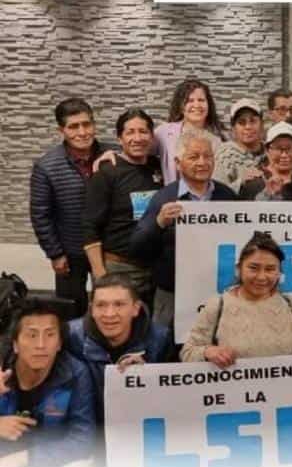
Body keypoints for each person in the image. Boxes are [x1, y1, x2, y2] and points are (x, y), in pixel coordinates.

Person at [130, 131, 238, 327]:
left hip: (218, 290)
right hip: (173, 293)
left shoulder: (227, 195)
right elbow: (137, 247)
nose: (202, 162)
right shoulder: (164, 197)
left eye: (208, 156)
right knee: (165, 347)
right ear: (178, 163)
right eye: (194, 157)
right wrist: (159, 222)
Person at [30, 98, 115, 318]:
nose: (82, 132)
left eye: (87, 124)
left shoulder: (113, 155)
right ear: (62, 130)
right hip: (70, 251)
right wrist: (55, 253)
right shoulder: (46, 166)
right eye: (73, 126)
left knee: (109, 307)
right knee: (70, 310)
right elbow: (41, 214)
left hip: (108, 248)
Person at [181, 232, 292, 365]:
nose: (261, 277)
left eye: (270, 269)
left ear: (279, 272)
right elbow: (187, 353)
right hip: (231, 386)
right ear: (239, 269)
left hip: (282, 386)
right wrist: (207, 352)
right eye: (253, 268)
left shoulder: (290, 306)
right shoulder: (218, 305)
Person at [0, 299, 95, 467]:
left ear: (59, 344)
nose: (41, 345)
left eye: (50, 335)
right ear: (15, 345)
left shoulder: (75, 373)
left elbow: (82, 439)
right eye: (32, 335)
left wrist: (26, 458)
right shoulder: (1, 370)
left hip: (47, 459)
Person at [82, 108, 163, 304]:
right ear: (120, 138)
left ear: (152, 137)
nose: (137, 138)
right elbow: (89, 226)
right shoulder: (108, 172)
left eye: (143, 132)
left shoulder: (157, 167)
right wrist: (100, 275)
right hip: (119, 269)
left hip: (154, 268)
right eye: (130, 132)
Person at [67, 276, 172, 423]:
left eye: (119, 304)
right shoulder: (69, 336)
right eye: (101, 305)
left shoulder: (160, 339)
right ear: (91, 309)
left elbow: (171, 400)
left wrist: (148, 376)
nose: (109, 314)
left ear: (136, 309)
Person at [154, 78, 224, 184]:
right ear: (181, 106)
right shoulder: (164, 132)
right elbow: (142, 150)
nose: (196, 105)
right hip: (173, 197)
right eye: (189, 101)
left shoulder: (217, 139)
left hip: (207, 197)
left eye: (201, 100)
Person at [241, 121, 292, 201]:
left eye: (290, 148)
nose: (284, 155)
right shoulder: (254, 183)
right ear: (267, 151)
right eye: (278, 148)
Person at [213, 98, 266, 192]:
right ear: (233, 128)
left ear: (261, 125)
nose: (248, 127)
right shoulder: (224, 155)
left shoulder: (271, 151)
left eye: (253, 121)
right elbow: (216, 194)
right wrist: (241, 182)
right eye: (242, 122)